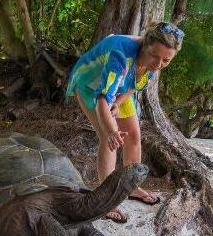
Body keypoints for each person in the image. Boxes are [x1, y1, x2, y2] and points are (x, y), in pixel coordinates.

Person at [67, 22, 183, 223]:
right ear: (145, 45)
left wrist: (119, 102)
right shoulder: (121, 57)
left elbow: (133, 87)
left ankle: (132, 186)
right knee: (108, 139)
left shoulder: (155, 60)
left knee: (133, 135)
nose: (158, 64)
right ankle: (106, 198)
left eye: (166, 60)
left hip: (117, 89)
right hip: (89, 84)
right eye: (155, 56)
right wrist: (111, 130)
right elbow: (103, 99)